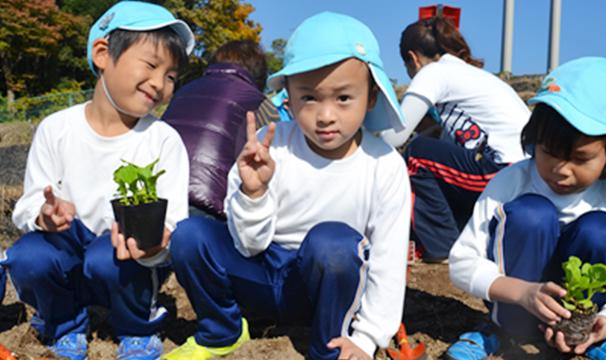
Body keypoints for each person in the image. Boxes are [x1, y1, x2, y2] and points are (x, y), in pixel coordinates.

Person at [163, 12, 411, 360]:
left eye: (343, 98)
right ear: (288, 99)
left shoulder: (384, 166)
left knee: (334, 242)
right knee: (189, 234)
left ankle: (329, 347)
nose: (325, 115)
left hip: (321, 291)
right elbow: (248, 246)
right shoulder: (269, 147)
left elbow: (388, 260)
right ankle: (222, 330)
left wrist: (369, 337)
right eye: (309, 98)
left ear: (371, 97)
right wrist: (254, 193)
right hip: (260, 274)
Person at [2, 2, 194, 359]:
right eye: (151, 65)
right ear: (103, 54)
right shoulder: (56, 129)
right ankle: (64, 323)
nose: (160, 83)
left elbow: (173, 221)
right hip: (68, 248)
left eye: (171, 76)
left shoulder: (163, 139)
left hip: (121, 261)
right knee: (27, 255)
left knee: (106, 255)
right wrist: (44, 215)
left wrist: (155, 241)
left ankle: (137, 325)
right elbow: (29, 203)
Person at [447, 57, 606, 360]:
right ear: (533, 139)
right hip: (516, 313)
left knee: (602, 231)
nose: (561, 170)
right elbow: (461, 262)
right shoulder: (512, 183)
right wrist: (521, 293)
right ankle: (499, 329)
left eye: (581, 159)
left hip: (582, 323)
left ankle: (591, 341)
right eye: (549, 152)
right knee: (531, 215)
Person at [380, 16, 530, 262]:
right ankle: (460, 237)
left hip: (501, 169)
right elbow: (453, 145)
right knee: (430, 153)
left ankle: (441, 246)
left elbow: (394, 138)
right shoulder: (469, 74)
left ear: (414, 58)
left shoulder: (434, 73)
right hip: (524, 172)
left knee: (417, 154)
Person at [163, 40, 277, 219]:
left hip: (160, 198)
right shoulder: (260, 102)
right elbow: (275, 155)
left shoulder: (184, 89)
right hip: (210, 210)